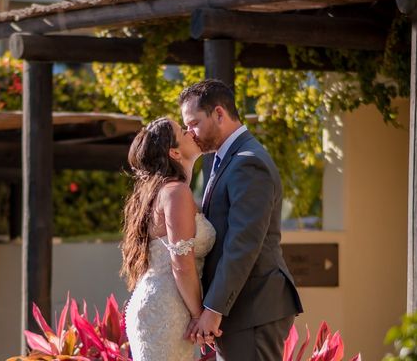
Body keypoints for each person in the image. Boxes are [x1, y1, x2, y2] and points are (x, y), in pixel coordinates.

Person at [179, 79, 303, 361]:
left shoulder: (249, 161)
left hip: (254, 308)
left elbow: (243, 243)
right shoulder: (227, 159)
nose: (190, 133)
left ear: (219, 114)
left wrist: (213, 309)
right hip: (243, 310)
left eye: (194, 123)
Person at [122, 117, 216, 361]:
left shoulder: (162, 192)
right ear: (174, 152)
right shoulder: (175, 192)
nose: (189, 132)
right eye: (182, 131)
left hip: (161, 305)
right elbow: (181, 265)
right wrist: (199, 317)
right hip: (167, 310)